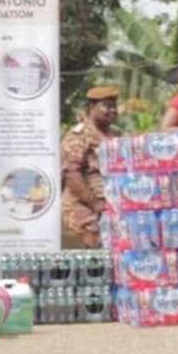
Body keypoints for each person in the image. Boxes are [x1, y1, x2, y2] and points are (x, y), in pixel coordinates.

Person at [61, 86, 120, 248]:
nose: (112, 110)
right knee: (92, 255)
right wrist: (95, 204)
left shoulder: (116, 135)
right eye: (106, 106)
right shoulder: (79, 135)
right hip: (84, 208)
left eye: (114, 105)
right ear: (92, 107)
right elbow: (72, 174)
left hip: (110, 207)